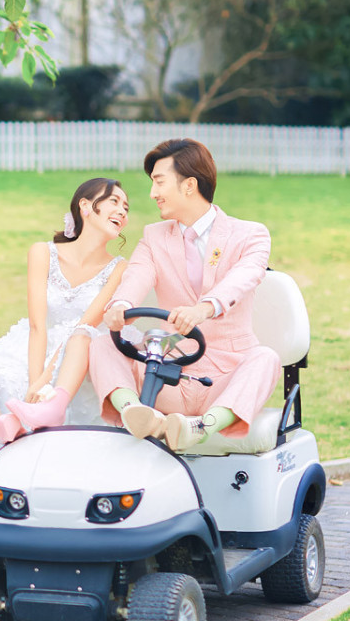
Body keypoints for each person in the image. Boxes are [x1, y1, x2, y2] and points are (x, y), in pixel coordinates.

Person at [0, 178, 129, 516]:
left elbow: (84, 326)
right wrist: (35, 380)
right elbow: (37, 324)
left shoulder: (119, 269)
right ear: (86, 206)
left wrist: (46, 380)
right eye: (114, 201)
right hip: (34, 346)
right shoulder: (43, 252)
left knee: (77, 344)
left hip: (81, 352)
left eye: (126, 207)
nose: (122, 211)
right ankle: (2, 429)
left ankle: (28, 422)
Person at [90, 138, 280, 452]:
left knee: (266, 358)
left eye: (159, 182)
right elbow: (137, 274)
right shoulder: (154, 236)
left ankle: (201, 428)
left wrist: (202, 309)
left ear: (189, 185)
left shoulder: (250, 234)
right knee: (102, 343)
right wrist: (121, 305)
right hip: (167, 374)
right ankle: (136, 413)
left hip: (224, 377)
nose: (152, 193)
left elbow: (244, 277)